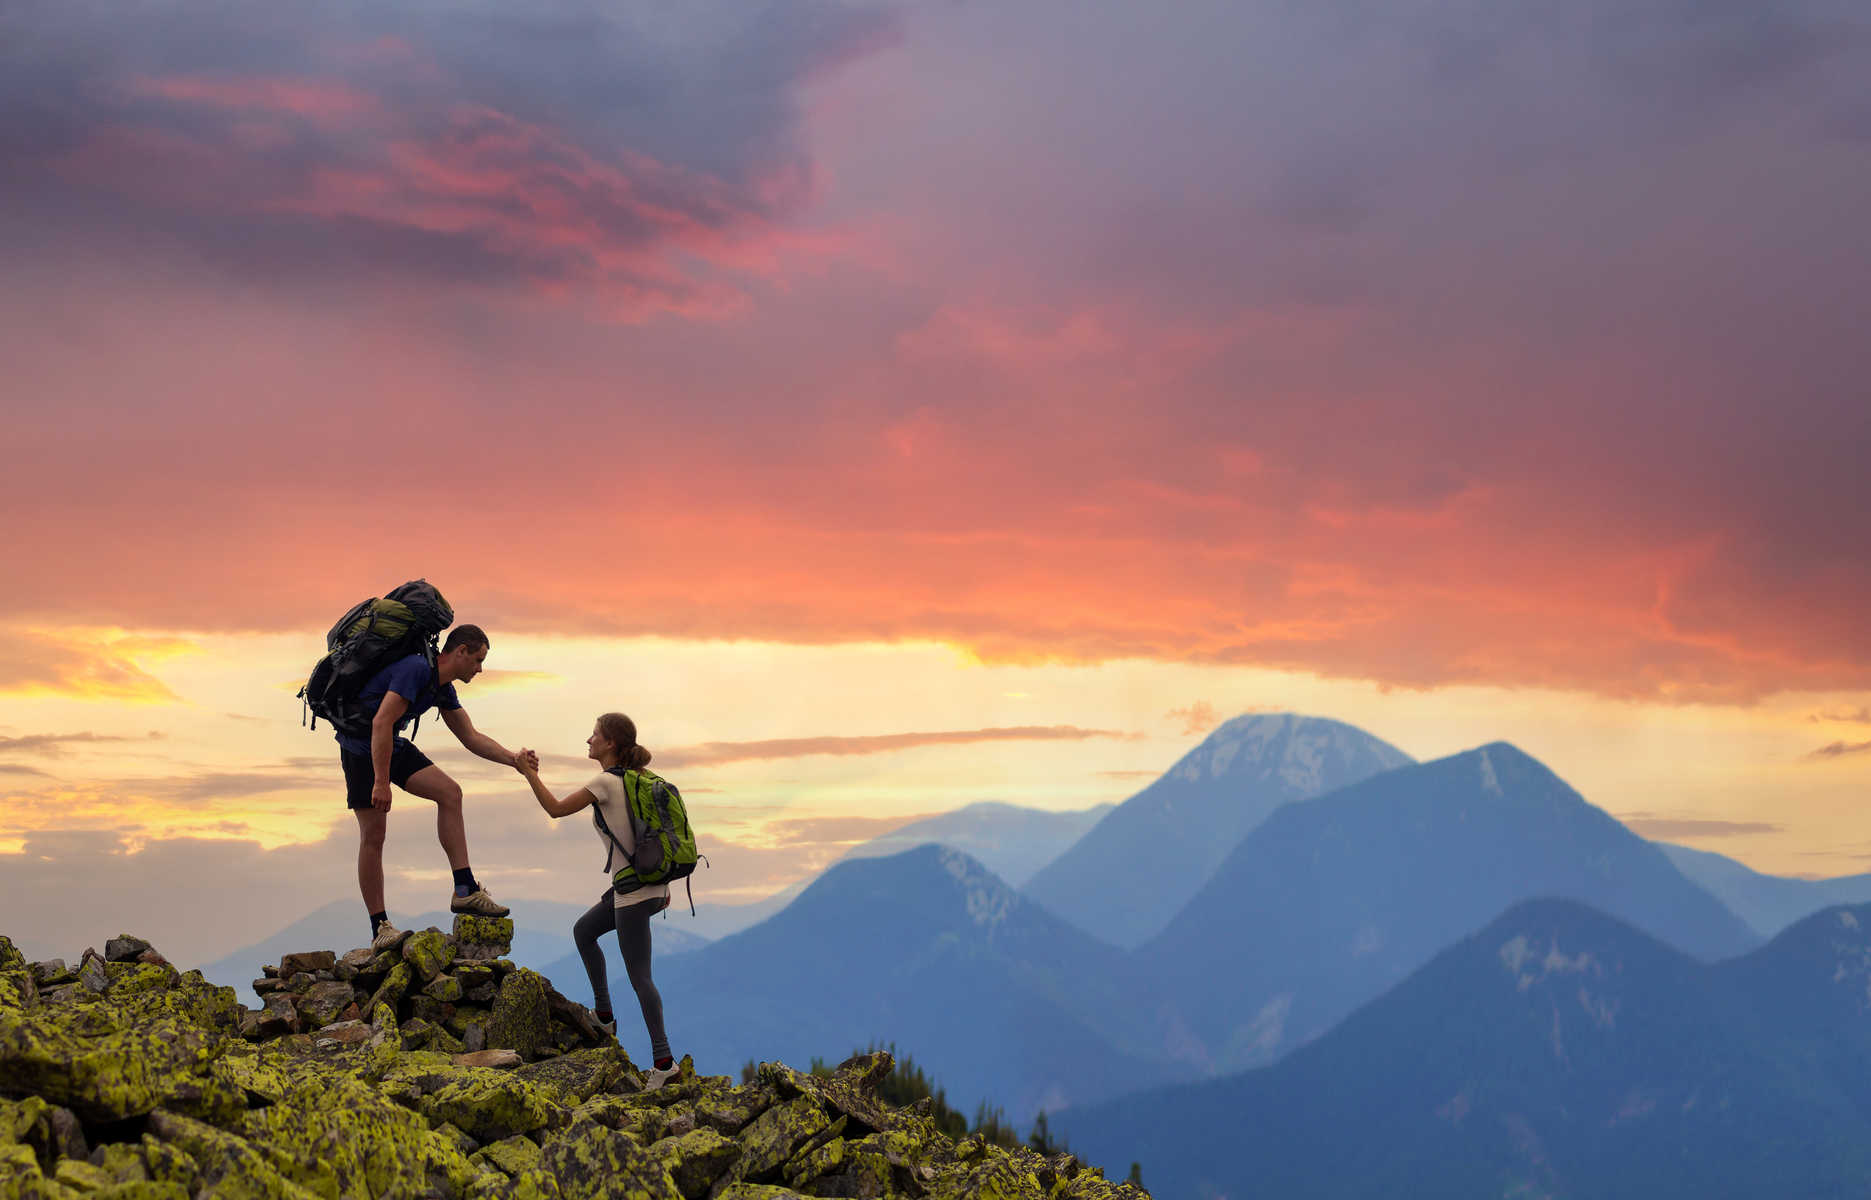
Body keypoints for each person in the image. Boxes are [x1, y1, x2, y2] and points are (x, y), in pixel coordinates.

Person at [513, 712, 679, 1088]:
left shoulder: (605, 782)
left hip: (634, 895)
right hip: (649, 888)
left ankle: (664, 1063)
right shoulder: (638, 781)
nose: (588, 740)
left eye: (595, 735)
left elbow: (555, 809)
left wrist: (528, 773)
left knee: (640, 978)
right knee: (584, 931)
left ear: (611, 745)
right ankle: (604, 1016)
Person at [337, 623, 520, 952]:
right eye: (478, 660)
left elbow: (471, 737)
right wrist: (381, 782)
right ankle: (380, 927)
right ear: (460, 651)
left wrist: (513, 759)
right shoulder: (416, 670)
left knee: (450, 793)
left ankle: (464, 889)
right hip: (361, 749)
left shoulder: (442, 686)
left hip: (389, 743)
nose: (480, 668)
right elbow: (380, 721)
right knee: (374, 835)